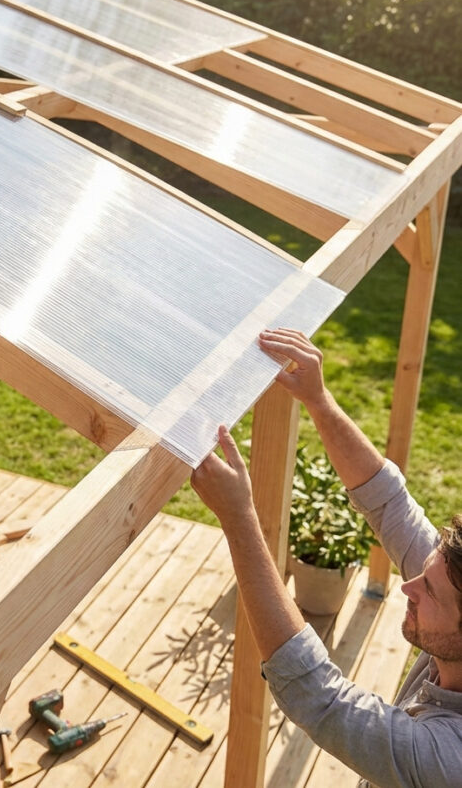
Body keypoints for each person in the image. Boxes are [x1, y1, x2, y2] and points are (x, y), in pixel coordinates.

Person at [190, 327, 462, 788]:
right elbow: (390, 504)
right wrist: (319, 400)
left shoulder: (448, 760)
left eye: (429, 592)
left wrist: (238, 517)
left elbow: (318, 696)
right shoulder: (454, 608)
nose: (408, 585)